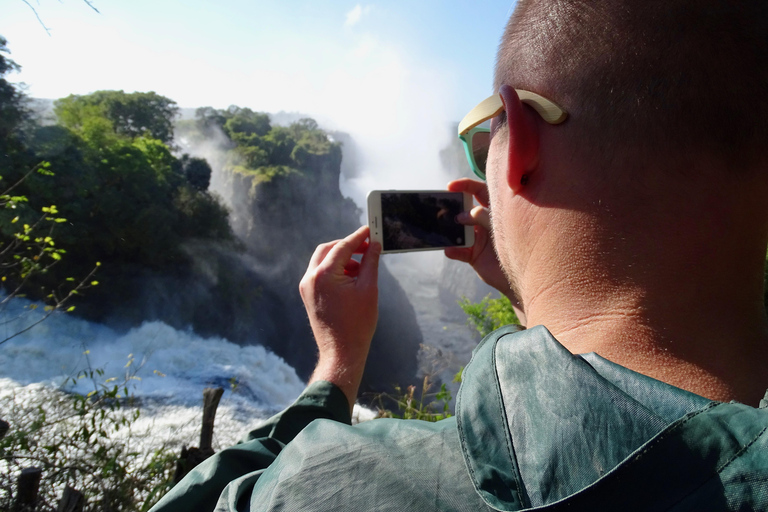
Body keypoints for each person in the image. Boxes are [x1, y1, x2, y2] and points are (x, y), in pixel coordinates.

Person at [150, 0, 768, 510]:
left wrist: (336, 368)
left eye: (482, 140)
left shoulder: (325, 485)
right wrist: (532, 298)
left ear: (521, 143)